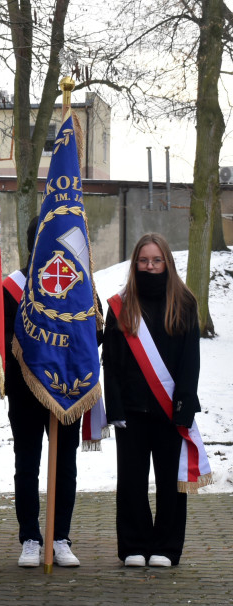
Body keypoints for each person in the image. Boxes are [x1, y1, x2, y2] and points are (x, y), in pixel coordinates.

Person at [103, 233, 203, 568]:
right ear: (135, 264)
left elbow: (191, 361)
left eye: (156, 260)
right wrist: (114, 406)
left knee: (170, 481)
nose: (150, 266)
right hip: (131, 409)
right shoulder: (119, 306)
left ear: (167, 263)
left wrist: (185, 404)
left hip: (170, 407)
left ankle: (166, 546)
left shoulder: (185, 304)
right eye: (143, 260)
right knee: (131, 480)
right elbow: (112, 363)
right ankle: (133, 543)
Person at [3, 217, 82, 568]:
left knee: (65, 464)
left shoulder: (80, 282)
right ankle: (31, 538)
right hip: (26, 390)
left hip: (67, 389)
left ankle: (60, 536)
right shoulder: (12, 287)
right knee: (27, 464)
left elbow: (94, 331)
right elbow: (4, 341)